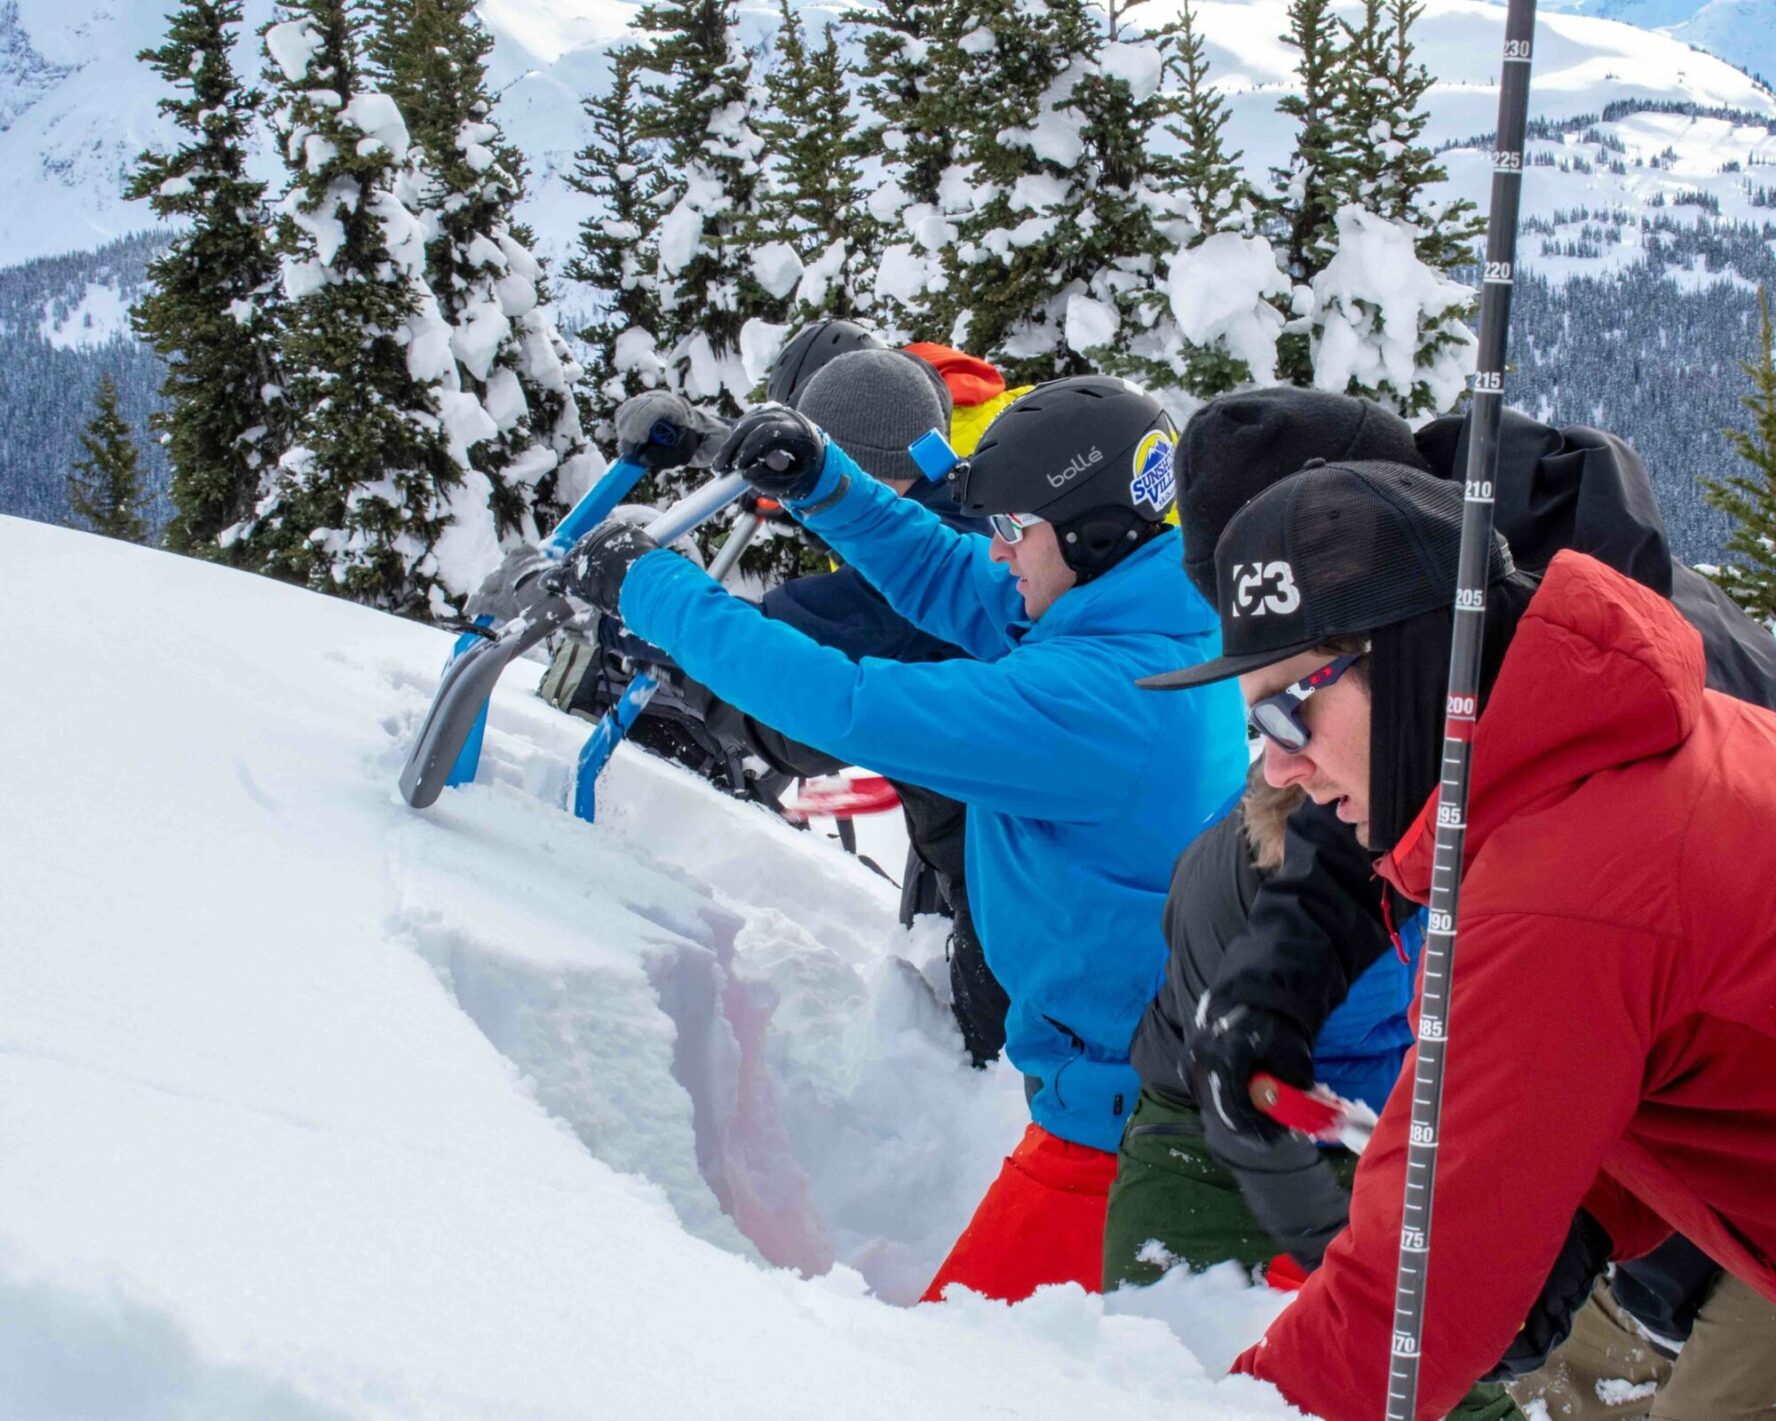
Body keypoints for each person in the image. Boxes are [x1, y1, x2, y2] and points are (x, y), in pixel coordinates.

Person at [552, 374, 1249, 1303]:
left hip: (1126, 1122)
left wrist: (654, 592)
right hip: (1132, 1075)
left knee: (958, 1377)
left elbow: (850, 703)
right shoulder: (1140, 604)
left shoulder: (1099, 699)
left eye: (1014, 530)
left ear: (1087, 533)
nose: (997, 553)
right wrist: (824, 484)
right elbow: (952, 576)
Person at [1143, 459, 1776, 1421]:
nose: (1278, 765)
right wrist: (1590, 1212)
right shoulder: (1617, 751)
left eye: (1288, 710)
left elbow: (1402, 1301)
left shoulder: (1557, 885)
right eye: (1254, 727)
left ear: (1409, 660)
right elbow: (1703, 1047)